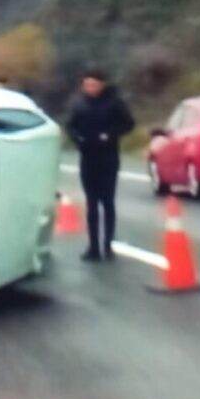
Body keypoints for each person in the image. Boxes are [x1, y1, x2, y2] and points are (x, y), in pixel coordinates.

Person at [67, 69, 135, 261]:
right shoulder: (79, 103)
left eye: (94, 85)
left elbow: (128, 124)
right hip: (87, 158)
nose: (90, 88)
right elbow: (70, 126)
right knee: (91, 203)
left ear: (102, 85)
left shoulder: (114, 102)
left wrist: (110, 135)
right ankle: (93, 247)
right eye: (87, 85)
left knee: (107, 201)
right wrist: (77, 138)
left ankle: (108, 245)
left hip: (108, 158)